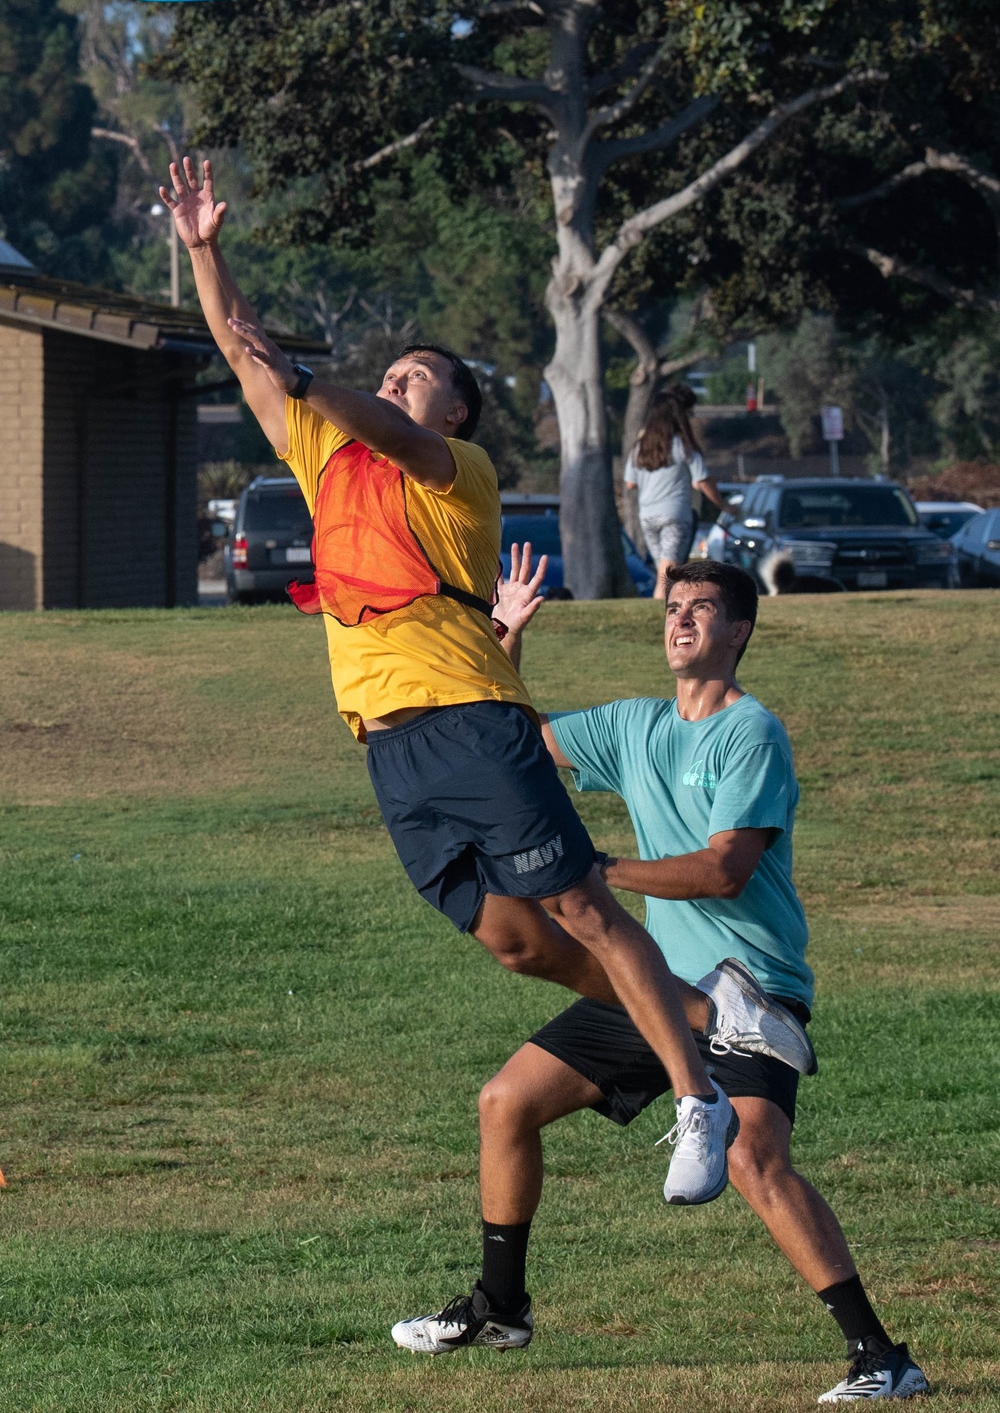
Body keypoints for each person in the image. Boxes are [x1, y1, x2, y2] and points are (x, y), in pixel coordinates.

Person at [160, 157, 816, 1207]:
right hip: (387, 739)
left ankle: (698, 1095)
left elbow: (368, 418)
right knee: (517, 939)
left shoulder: (453, 473)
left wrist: (309, 383)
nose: (395, 380)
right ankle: (703, 1017)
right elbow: (246, 353)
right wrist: (202, 249)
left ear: (457, 411)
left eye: (419, 374)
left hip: (469, 712)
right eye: (390, 371)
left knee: (580, 902)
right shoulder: (327, 461)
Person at [391, 560, 928, 1406]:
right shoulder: (635, 725)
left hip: (749, 993)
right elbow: (514, 745)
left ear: (740, 630)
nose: (679, 622)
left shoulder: (752, 733)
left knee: (755, 1161)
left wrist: (599, 870)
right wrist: (507, 638)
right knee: (506, 1102)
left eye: (701, 611)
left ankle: (880, 1357)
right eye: (673, 608)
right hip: (656, 989)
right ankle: (501, 1309)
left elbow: (725, 870)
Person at [624, 386, 737, 598]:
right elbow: (702, 481)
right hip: (675, 514)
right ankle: (660, 617)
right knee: (667, 575)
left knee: (663, 570)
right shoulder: (684, 446)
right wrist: (723, 506)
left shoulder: (639, 447)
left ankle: (665, 611)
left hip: (647, 516)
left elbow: (630, 484)